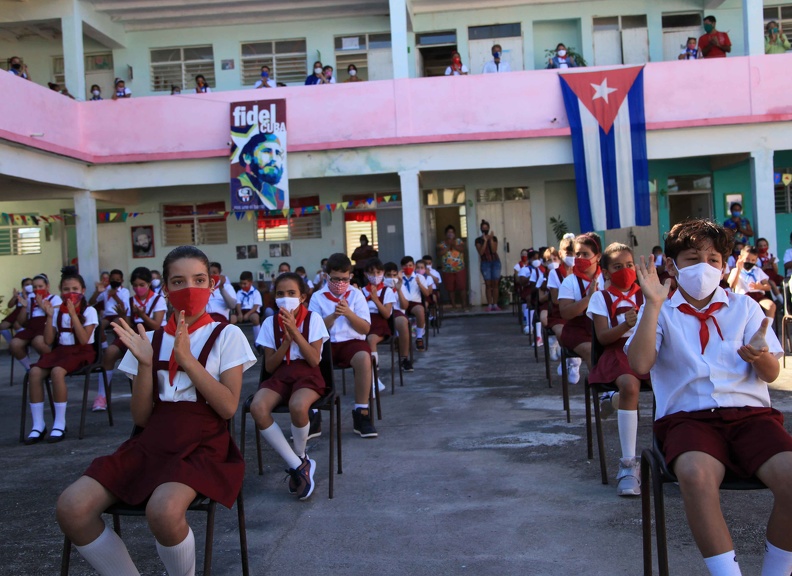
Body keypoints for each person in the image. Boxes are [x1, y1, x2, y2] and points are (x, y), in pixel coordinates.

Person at [56, 246, 257, 576]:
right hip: (152, 440)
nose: (189, 288)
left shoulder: (227, 335)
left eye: (199, 279)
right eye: (178, 281)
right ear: (165, 288)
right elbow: (141, 418)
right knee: (71, 507)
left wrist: (189, 361)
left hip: (202, 444)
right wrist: (146, 363)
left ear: (212, 284)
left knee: (163, 512)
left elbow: (227, 407)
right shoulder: (146, 340)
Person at [627, 219, 792, 576]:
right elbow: (640, 363)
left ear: (725, 265)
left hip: (750, 417)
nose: (704, 267)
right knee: (696, 475)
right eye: (691, 259)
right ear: (671, 265)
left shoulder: (745, 308)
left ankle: (777, 571)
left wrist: (760, 356)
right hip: (688, 419)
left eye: (713, 260)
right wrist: (653, 305)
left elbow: (771, 374)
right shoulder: (659, 311)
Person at [251, 272, 329, 500]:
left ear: (302, 297)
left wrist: (295, 332)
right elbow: (271, 365)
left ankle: (300, 455)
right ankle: (297, 464)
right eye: (280, 294)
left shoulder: (313, 319)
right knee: (258, 407)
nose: (286, 298)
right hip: (281, 375)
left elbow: (315, 360)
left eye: (291, 293)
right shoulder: (269, 323)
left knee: (298, 405)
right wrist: (285, 341)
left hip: (307, 374)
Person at [586, 243, 648, 497]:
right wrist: (625, 325)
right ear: (607, 272)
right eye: (618, 266)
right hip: (618, 351)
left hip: (648, 348)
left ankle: (674, 457)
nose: (625, 270)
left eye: (630, 265)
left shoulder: (647, 294)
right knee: (630, 385)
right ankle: (628, 465)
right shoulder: (601, 297)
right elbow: (602, 338)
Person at [24, 267, 97, 444]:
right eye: (66, 290)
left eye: (75, 289)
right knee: (34, 373)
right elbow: (48, 341)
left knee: (57, 372)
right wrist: (49, 317)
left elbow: (84, 339)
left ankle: (60, 422)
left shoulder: (89, 311)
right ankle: (38, 424)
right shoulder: (57, 311)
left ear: (83, 291)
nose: (70, 293)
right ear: (60, 291)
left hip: (82, 351)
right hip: (61, 351)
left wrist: (73, 315)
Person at [307, 253, 376, 438]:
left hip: (351, 343)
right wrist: (334, 316)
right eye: (335, 279)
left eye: (344, 279)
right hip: (325, 343)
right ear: (326, 276)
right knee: (308, 359)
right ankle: (313, 415)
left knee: (363, 358)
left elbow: (365, 328)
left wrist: (348, 313)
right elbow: (313, 329)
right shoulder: (317, 297)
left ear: (350, 277)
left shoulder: (356, 295)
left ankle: (361, 412)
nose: (340, 283)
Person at [95, 267, 167, 412]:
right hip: (134, 334)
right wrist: (123, 315)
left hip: (154, 335)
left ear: (149, 284)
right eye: (135, 285)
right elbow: (128, 325)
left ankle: (151, 395)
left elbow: (156, 324)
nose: (138, 288)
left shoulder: (157, 300)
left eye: (142, 285)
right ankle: (102, 395)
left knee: (144, 358)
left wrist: (142, 314)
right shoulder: (130, 300)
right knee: (110, 352)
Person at [558, 233, 605, 385]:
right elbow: (565, 313)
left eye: (585, 254)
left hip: (602, 328)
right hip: (577, 331)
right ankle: (604, 392)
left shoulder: (607, 278)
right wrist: (588, 299)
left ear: (597, 257)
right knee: (591, 352)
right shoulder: (569, 281)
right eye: (577, 254)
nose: (580, 258)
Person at [11, 274, 61, 373]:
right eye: (34, 287)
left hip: (47, 327)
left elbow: (55, 316)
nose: (37, 289)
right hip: (32, 327)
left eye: (40, 286)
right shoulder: (30, 298)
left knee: (38, 342)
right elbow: (21, 322)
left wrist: (41, 304)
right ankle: (29, 369)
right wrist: (25, 307)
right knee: (14, 344)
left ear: (47, 286)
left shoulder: (55, 298)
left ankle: (51, 366)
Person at [362, 258, 396, 393]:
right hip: (364, 321)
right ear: (365, 274)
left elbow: (387, 314)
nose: (375, 276)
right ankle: (366, 376)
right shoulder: (362, 291)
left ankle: (374, 376)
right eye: (371, 273)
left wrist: (375, 300)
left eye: (378, 272)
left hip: (380, 323)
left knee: (371, 339)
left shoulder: (386, 291)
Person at [232, 132, 286, 211]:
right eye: (267, 151)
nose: (274, 158)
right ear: (247, 157)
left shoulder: (279, 194)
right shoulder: (236, 185)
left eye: (278, 153)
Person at [546, 233, 576, 363]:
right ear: (560, 253)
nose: (571, 256)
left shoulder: (580, 272)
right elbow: (555, 300)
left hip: (578, 314)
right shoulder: (555, 273)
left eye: (574, 253)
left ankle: (572, 362)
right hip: (559, 315)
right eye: (567, 253)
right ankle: (568, 360)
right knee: (563, 334)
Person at [728, 247, 777, 319]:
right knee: (748, 309)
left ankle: (767, 327)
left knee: (771, 305)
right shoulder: (735, 271)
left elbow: (768, 286)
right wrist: (738, 269)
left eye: (753, 260)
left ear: (756, 260)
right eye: (747, 259)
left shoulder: (757, 270)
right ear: (740, 258)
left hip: (758, 296)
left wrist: (760, 287)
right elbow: (732, 285)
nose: (750, 262)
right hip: (744, 297)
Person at [384, 261, 413, 372]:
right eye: (388, 275)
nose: (392, 278)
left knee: (402, 322)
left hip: (396, 313)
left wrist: (399, 289)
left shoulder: (401, 286)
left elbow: (405, 305)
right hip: (382, 313)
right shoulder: (378, 288)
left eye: (394, 275)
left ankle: (404, 359)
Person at [399, 256, 431, 351]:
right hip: (401, 301)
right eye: (405, 266)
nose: (408, 268)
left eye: (410, 265)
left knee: (420, 310)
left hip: (414, 303)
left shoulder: (420, 277)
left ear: (413, 266)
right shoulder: (399, 277)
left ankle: (419, 337)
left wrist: (419, 284)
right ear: (401, 267)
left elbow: (426, 293)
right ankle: (399, 338)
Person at [90, 269, 131, 344]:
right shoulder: (106, 290)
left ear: (122, 280)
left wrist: (114, 295)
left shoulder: (124, 291)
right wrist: (97, 291)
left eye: (117, 279)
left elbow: (124, 307)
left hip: (118, 314)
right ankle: (104, 345)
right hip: (107, 316)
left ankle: (118, 343)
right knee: (99, 326)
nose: (115, 281)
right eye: (112, 279)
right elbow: (92, 302)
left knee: (116, 326)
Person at [438, 225, 467, 310]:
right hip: (447, 270)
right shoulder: (442, 243)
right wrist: (448, 247)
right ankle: (453, 305)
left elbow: (462, 249)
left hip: (459, 268)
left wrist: (454, 245)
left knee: (462, 287)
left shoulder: (459, 241)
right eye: (448, 232)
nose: (450, 234)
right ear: (446, 234)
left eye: (452, 232)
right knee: (450, 289)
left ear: (454, 233)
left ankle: (464, 305)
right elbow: (439, 254)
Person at [475, 220, 501, 312]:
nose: (485, 229)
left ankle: (495, 304)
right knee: (488, 284)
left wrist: (490, 239)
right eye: (483, 228)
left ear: (489, 228)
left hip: (495, 262)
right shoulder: (478, 240)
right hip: (485, 262)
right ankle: (490, 304)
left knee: (495, 283)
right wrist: (485, 241)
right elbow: (481, 252)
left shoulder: (494, 238)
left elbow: (494, 250)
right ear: (481, 229)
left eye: (486, 228)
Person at [0, 277, 32, 344]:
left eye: (31, 284)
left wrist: (25, 296)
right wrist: (14, 297)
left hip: (27, 313)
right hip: (16, 313)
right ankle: (11, 343)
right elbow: (10, 305)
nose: (29, 286)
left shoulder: (34, 294)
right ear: (23, 286)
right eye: (27, 284)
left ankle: (24, 344)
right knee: (2, 326)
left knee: (17, 325)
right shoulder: (19, 294)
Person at [234, 271, 262, 340]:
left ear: (250, 283)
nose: (242, 285)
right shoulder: (239, 292)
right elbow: (238, 304)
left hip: (252, 311)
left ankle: (258, 340)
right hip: (241, 311)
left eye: (245, 284)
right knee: (232, 319)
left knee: (255, 318)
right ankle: (234, 339)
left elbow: (256, 306)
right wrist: (240, 314)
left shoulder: (256, 292)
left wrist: (247, 314)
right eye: (241, 283)